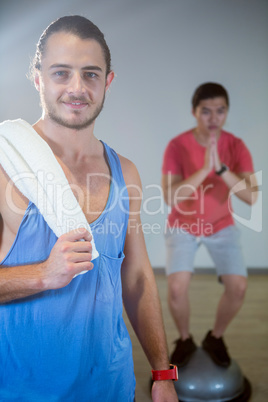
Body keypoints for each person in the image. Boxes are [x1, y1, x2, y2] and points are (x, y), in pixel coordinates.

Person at [0, 16, 178, 401]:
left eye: (91, 74)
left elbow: (137, 278)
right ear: (38, 78)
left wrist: (162, 373)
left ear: (107, 82)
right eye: (61, 73)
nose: (77, 88)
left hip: (110, 385)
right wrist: (43, 274)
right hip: (22, 390)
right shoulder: (5, 165)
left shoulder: (125, 172)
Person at [161, 82, 258, 368]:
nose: (214, 118)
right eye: (206, 111)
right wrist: (204, 169)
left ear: (227, 112)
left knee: (238, 286)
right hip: (183, 224)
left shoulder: (236, 146)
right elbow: (170, 196)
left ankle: (216, 338)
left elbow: (252, 198)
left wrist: (221, 170)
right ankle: (184, 339)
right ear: (194, 112)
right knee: (177, 287)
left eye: (220, 111)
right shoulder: (177, 145)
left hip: (221, 224)